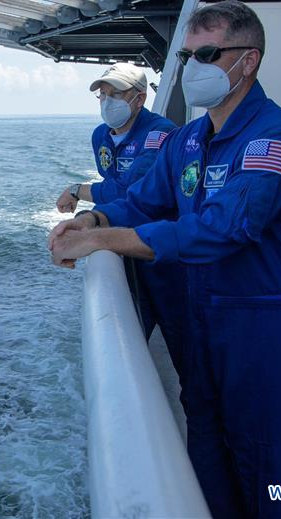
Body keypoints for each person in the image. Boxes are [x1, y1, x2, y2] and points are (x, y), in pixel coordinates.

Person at [48, 0, 281, 518]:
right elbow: (142, 201)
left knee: (280, 482)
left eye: (207, 54)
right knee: (208, 462)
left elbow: (224, 229)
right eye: (186, 58)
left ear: (247, 61)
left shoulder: (277, 139)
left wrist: (107, 242)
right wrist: (94, 220)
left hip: (274, 339)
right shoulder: (188, 141)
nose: (193, 69)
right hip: (208, 328)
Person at [55, 63, 188, 377]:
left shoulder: (160, 134)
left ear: (139, 99)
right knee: (128, 329)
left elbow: (132, 188)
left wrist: (78, 191)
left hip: (161, 253)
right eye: (103, 94)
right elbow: (116, 187)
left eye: (116, 94)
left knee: (180, 337)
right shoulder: (101, 136)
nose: (107, 101)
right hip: (120, 239)